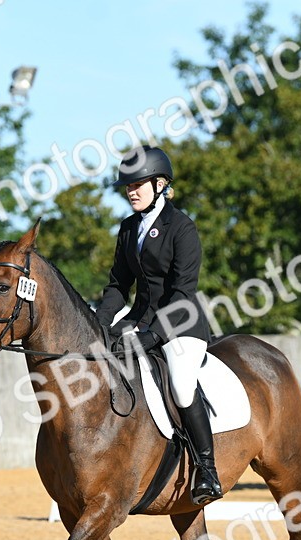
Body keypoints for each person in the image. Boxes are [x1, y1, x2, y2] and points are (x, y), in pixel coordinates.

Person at [93, 145, 222, 505]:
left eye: (139, 184)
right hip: (138, 322)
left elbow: (183, 294)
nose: (131, 191)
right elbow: (119, 285)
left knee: (181, 384)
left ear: (161, 184)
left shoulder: (182, 228)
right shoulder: (128, 228)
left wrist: (154, 335)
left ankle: (207, 469)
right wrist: (101, 324)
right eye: (127, 186)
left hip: (181, 326)